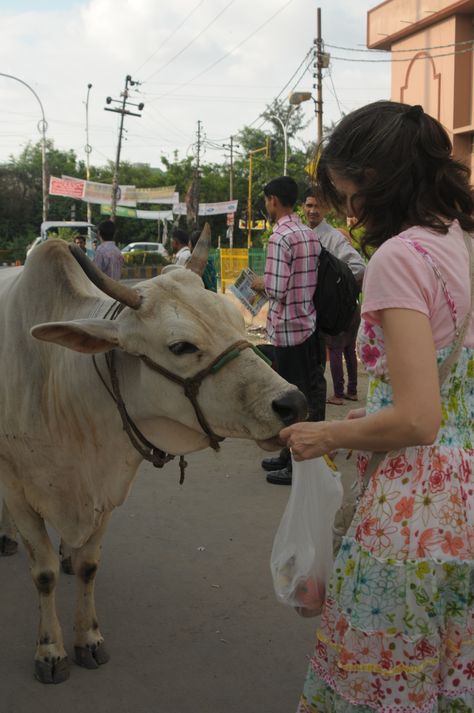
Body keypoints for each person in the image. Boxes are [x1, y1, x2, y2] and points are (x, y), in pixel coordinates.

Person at [280, 100, 474, 713]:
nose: (345, 210)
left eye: (344, 193)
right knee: (446, 676)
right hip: (465, 498)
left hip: (414, 512)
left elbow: (419, 419)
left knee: (383, 681)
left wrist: (328, 437)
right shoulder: (459, 242)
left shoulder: (398, 257)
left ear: (374, 181)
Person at [251, 176, 322, 486]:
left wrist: (258, 283)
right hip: (307, 323)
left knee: (293, 401)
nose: (267, 205)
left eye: (267, 200)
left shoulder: (280, 237)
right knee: (302, 392)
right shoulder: (308, 234)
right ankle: (287, 456)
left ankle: (295, 465)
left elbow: (277, 290)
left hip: (287, 330)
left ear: (273, 201)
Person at [302, 187, 366, 406]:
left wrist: (335, 288)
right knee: (342, 351)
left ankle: (339, 394)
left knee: (335, 351)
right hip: (313, 310)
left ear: (327, 208)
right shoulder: (303, 234)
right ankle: (350, 390)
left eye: (317, 206)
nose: (312, 210)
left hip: (334, 310)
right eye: (309, 205)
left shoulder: (332, 237)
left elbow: (358, 267)